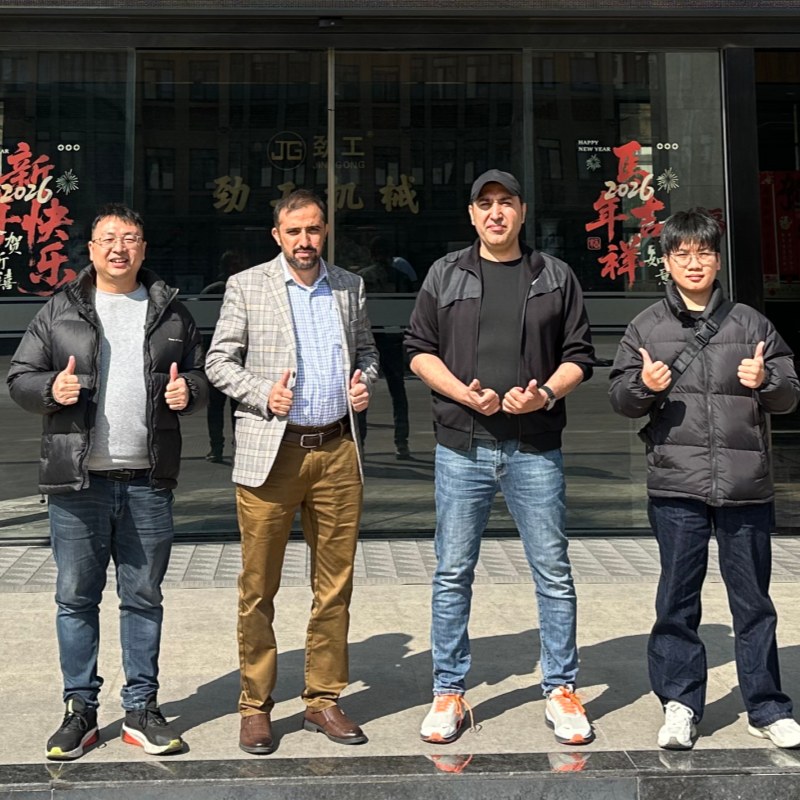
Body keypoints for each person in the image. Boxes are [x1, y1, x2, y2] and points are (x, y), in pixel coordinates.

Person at [7, 202, 208, 761]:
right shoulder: (60, 308)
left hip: (148, 481)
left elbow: (200, 373)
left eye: (131, 238)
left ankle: (141, 709)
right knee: (75, 599)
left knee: (143, 598)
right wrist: (52, 389)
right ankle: (81, 710)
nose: (120, 247)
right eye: (109, 238)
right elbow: (20, 377)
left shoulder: (171, 311)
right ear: (92, 249)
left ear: (143, 248)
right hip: (78, 484)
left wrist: (189, 392)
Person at [405, 169, 596, 746]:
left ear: (522, 211)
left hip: (534, 447)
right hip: (461, 447)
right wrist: (463, 394)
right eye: (484, 204)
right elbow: (418, 350)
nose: (495, 213)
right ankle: (448, 690)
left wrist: (545, 394)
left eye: (505, 202)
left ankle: (561, 688)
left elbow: (579, 355)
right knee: (451, 573)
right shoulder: (445, 273)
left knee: (553, 573)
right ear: (471, 214)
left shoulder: (554, 276)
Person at [609, 207, 800, 751]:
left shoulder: (751, 324)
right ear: (666, 262)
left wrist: (766, 380)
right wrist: (644, 386)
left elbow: (790, 394)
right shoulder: (647, 326)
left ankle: (766, 706)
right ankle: (680, 704)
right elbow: (620, 398)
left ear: (718, 260)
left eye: (704, 253)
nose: (694, 263)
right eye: (682, 254)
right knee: (677, 600)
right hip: (677, 486)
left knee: (754, 603)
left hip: (745, 486)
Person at [205, 189, 379, 755]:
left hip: (337, 451)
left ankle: (323, 699)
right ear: (277, 235)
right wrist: (263, 394)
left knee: (335, 585)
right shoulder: (247, 285)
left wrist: (363, 382)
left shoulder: (349, 286)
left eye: (314, 229)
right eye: (295, 231)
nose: (306, 241)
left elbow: (368, 352)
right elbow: (217, 362)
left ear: (325, 231)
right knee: (258, 588)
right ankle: (255, 706)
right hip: (273, 454)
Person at [357, 236, 413, 459]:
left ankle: (360, 443)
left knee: (362, 390)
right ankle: (402, 443)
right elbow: (408, 310)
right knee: (398, 391)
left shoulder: (362, 278)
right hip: (392, 338)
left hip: (369, 338)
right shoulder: (401, 277)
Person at [201, 250, 246, 462]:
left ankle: (238, 446)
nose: (234, 268)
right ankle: (216, 447)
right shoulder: (215, 289)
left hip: (242, 360)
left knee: (239, 408)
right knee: (215, 407)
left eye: (237, 263)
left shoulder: (247, 290)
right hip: (215, 357)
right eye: (231, 264)